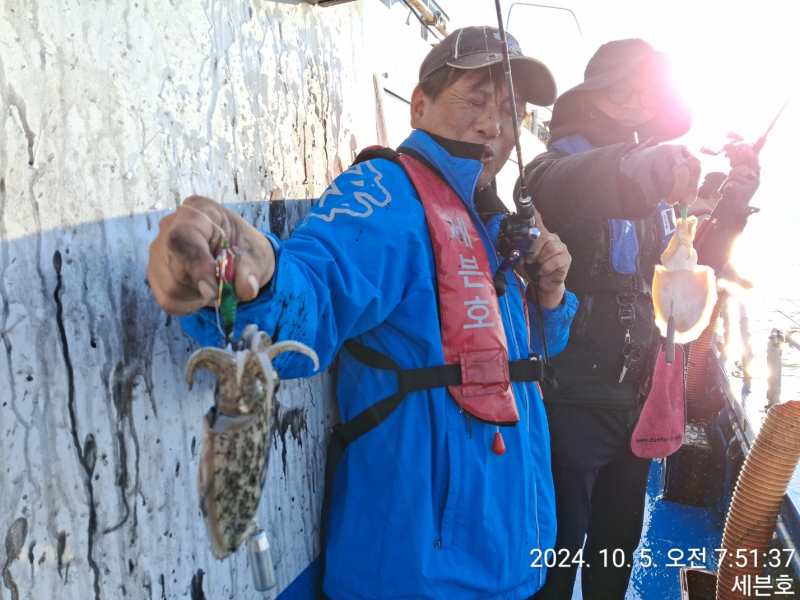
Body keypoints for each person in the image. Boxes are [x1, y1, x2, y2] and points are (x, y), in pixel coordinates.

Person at [148, 26, 578, 600]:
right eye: (475, 99)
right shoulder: (388, 195)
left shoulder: (492, 221)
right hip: (415, 574)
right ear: (419, 105)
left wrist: (550, 300)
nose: (493, 125)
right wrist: (243, 284)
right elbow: (313, 294)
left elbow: (516, 355)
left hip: (508, 560)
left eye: (510, 110)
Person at [518, 39, 761, 600]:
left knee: (617, 542)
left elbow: (689, 268)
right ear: (590, 96)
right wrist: (641, 169)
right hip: (567, 396)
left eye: (645, 93)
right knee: (555, 548)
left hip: (639, 397)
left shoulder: (660, 193)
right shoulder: (549, 169)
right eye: (618, 90)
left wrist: (733, 202)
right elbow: (578, 183)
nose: (632, 103)